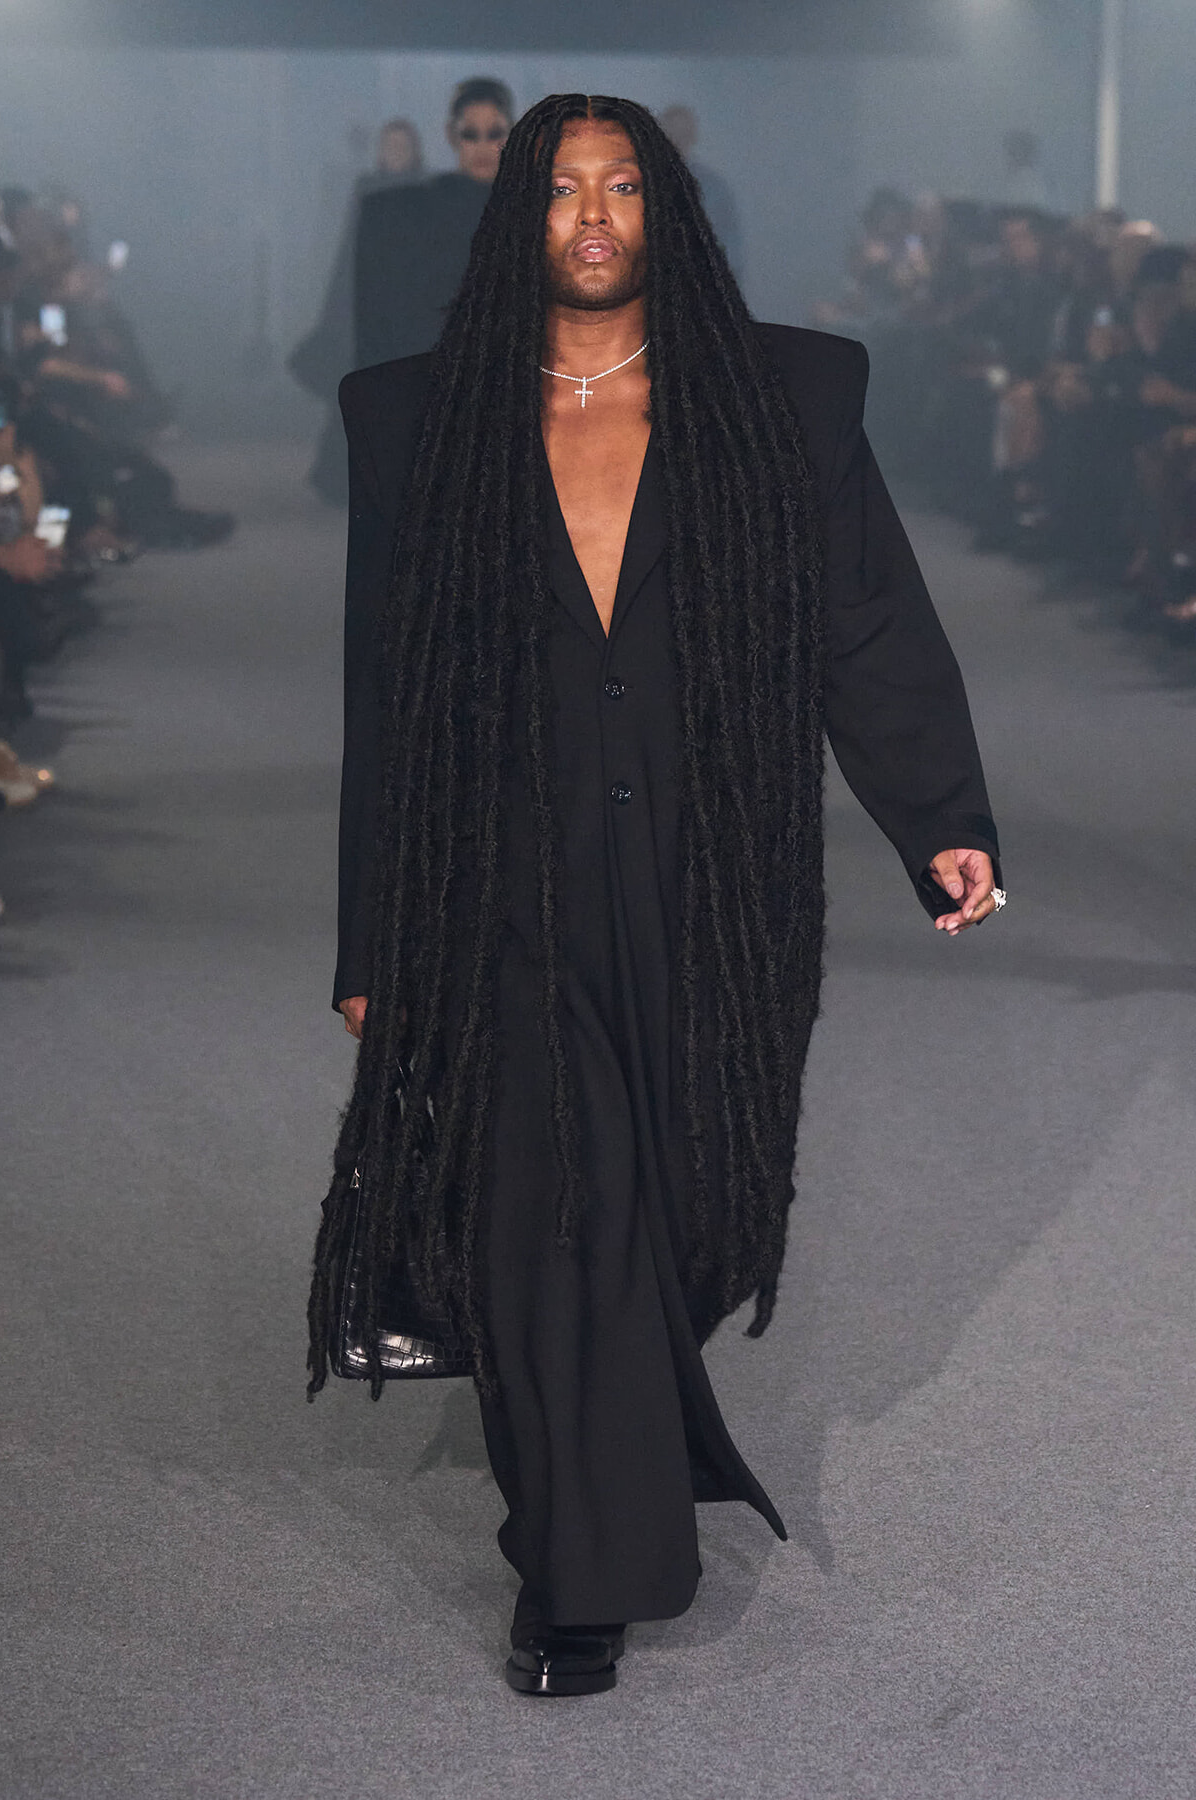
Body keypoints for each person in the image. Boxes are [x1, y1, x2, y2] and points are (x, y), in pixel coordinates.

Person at [308, 94, 1003, 1699]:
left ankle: (624, 1426)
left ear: (670, 211)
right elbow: (387, 693)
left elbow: (865, 622)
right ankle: (581, 1574)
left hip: (716, 875)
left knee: (682, 1207)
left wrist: (939, 818)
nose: (597, 212)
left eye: (626, 185)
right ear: (518, 220)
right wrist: (374, 935)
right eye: (565, 190)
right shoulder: (418, 419)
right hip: (504, 878)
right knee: (556, 1202)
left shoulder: (786, 395)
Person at [290, 118, 426, 505]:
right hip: (371, 308)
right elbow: (351, 248)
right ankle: (339, 479)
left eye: (401, 147)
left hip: (409, 310)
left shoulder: (425, 192)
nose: (395, 154)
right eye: (389, 147)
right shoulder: (366, 188)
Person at [353, 78, 514, 369]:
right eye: (470, 134)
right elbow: (385, 312)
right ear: (451, 135)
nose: (482, 146)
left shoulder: (532, 212)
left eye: (494, 133)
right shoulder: (409, 212)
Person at [660, 103, 742, 279]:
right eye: (672, 134)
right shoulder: (638, 181)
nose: (677, 140)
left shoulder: (713, 187)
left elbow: (729, 247)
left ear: (692, 137)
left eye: (682, 134)